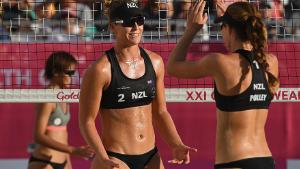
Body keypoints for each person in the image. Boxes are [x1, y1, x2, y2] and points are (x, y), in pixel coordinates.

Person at [78, 0, 197, 169]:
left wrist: (176, 144)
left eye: (139, 20)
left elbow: (160, 112)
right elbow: (87, 121)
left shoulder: (155, 62)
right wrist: (103, 158)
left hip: (151, 157)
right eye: (128, 22)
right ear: (113, 26)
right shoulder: (101, 69)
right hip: (115, 159)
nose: (135, 27)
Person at [167, 1, 279, 169]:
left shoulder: (220, 62)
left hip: (234, 162)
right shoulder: (271, 62)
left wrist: (191, 30)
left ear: (229, 29)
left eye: (222, 27)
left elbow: (173, 67)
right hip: (265, 160)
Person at [28, 51, 94, 169]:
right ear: (55, 72)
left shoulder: (63, 95)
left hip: (63, 162)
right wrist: (73, 150)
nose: (71, 77)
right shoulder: (48, 97)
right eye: (69, 73)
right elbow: (38, 135)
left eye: (73, 73)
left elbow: (63, 133)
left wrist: (68, 161)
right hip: (44, 162)